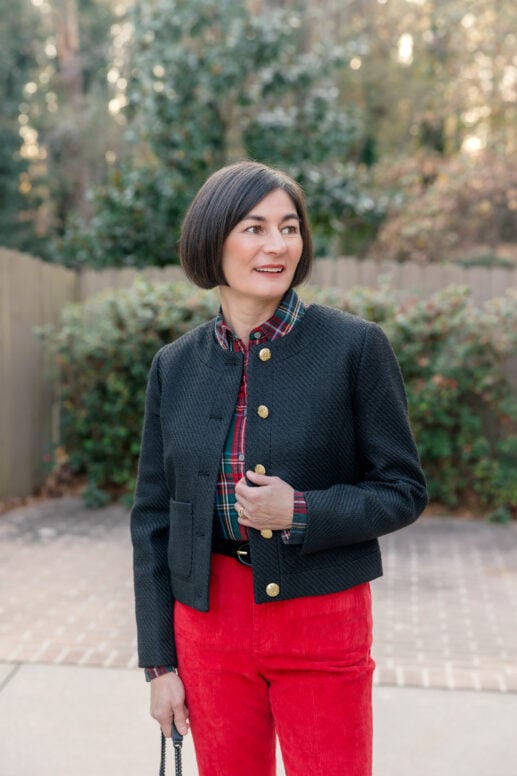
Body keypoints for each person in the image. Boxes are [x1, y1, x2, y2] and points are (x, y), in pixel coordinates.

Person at [130, 160, 427, 776]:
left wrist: (301, 510)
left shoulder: (355, 347)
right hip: (207, 627)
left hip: (321, 618)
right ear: (213, 241)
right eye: (255, 228)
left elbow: (403, 490)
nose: (277, 246)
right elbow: (154, 519)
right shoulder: (174, 366)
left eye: (289, 229)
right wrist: (160, 665)